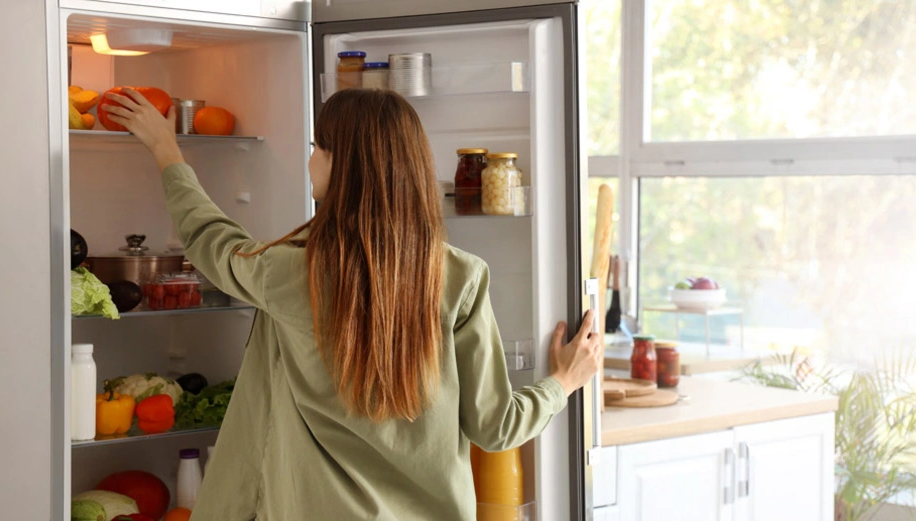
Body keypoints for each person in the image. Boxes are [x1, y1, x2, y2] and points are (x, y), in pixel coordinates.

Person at [101, 87, 603, 520]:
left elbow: (211, 239)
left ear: (343, 163)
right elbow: (495, 428)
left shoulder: (286, 271)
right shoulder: (460, 276)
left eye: (317, 146)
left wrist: (166, 148)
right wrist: (564, 381)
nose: (310, 159)